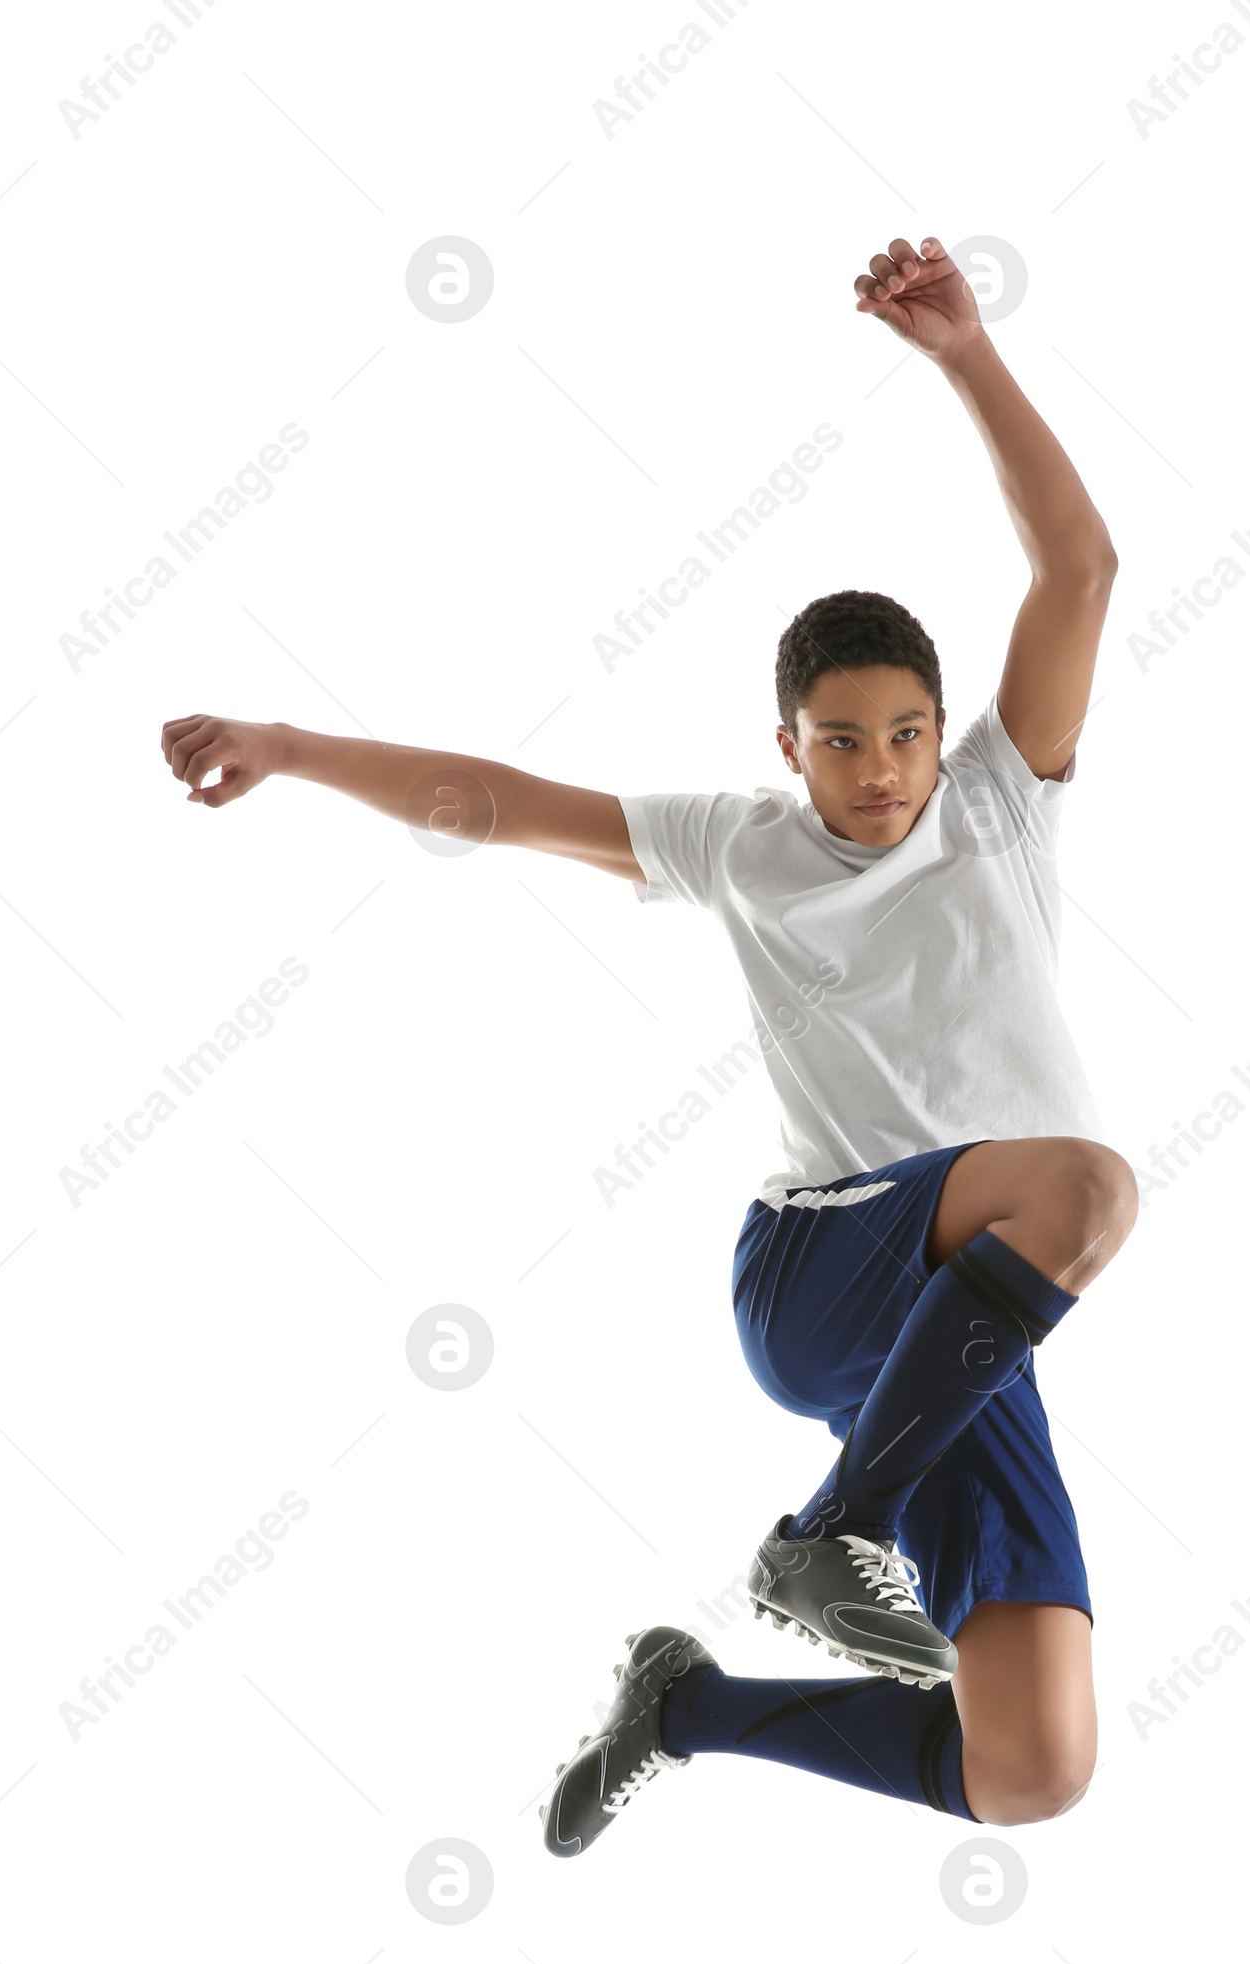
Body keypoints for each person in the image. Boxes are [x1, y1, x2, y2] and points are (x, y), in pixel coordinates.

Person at [159, 235, 1138, 1861]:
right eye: (842, 741)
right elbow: (490, 804)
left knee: (1032, 1768)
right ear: (788, 745)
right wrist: (286, 744)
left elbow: (1081, 571)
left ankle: (686, 1704)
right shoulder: (739, 845)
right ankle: (834, 1536)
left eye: (906, 732)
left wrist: (965, 352)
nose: (883, 771)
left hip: (955, 1341)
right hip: (823, 1270)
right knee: (1091, 1191)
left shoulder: (999, 803)